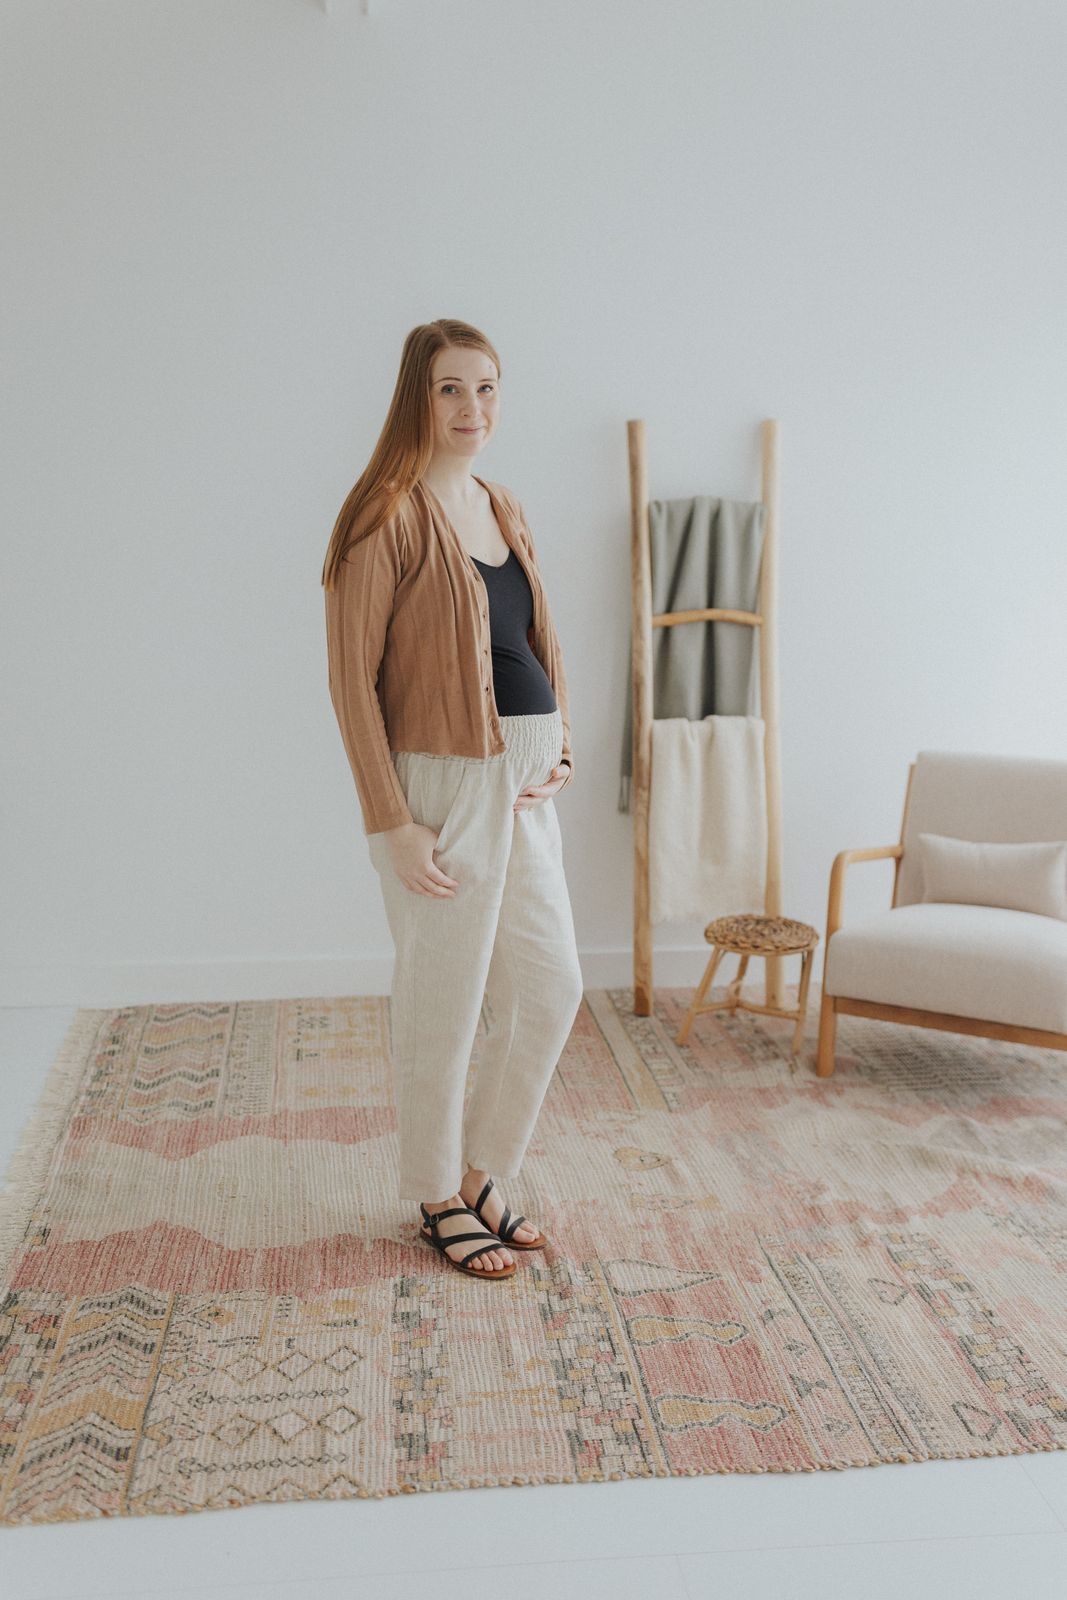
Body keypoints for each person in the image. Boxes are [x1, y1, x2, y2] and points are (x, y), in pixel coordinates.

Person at [322, 319, 584, 1282]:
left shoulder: (501, 504)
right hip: (439, 790)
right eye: (449, 389)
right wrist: (391, 820)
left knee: (550, 988)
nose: (472, 407)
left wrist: (561, 746)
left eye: (486, 387)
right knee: (444, 1000)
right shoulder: (384, 513)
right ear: (416, 398)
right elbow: (351, 682)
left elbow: (535, 640)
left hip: (524, 794)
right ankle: (435, 1195)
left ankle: (482, 1173)